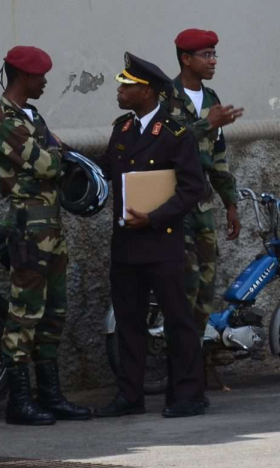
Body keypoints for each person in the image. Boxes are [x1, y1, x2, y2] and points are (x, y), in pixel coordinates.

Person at [93, 53, 207, 418]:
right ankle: (130, 394)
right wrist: (68, 158)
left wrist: (155, 218)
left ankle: (187, 395)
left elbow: (192, 190)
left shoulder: (176, 134)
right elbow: (107, 168)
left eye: (127, 85)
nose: (120, 90)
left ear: (147, 91)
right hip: (126, 244)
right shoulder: (121, 129)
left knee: (177, 320)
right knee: (128, 322)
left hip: (161, 243)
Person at [0, 46, 92, 425]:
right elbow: (48, 163)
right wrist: (57, 153)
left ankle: (50, 395)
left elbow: (53, 157)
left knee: (54, 312)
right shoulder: (4, 120)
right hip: (29, 228)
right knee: (25, 311)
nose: (45, 82)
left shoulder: (31, 116)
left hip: (51, 227)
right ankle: (19, 400)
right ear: (23, 77)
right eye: (40, 76)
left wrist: (56, 152)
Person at [162, 29, 243, 349]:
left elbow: (218, 155)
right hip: (173, 203)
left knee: (207, 289)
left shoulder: (212, 100)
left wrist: (230, 203)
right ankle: (179, 363)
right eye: (206, 55)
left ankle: (192, 360)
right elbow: (161, 144)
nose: (213, 61)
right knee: (187, 284)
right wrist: (205, 123)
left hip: (203, 206)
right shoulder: (164, 96)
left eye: (214, 55)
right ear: (186, 59)